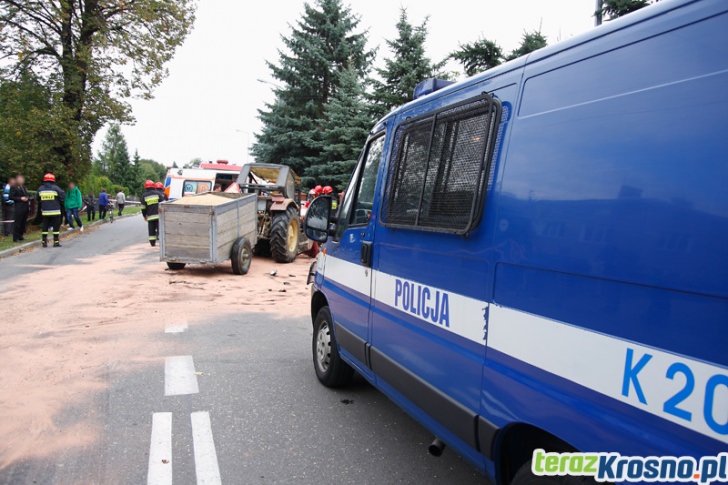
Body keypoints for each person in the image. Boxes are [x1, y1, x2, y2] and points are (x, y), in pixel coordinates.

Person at [37, 173, 65, 248]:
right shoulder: (56, 188)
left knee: (45, 227)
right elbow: (62, 197)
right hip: (55, 212)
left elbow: (37, 199)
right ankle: (56, 242)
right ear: (53, 180)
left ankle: (44, 242)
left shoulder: (40, 189)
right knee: (56, 228)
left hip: (45, 212)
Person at [9, 175, 30, 243]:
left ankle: (20, 235)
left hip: (25, 207)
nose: (21, 181)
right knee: (17, 222)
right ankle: (16, 237)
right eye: (20, 179)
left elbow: (26, 195)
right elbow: (11, 197)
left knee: (23, 222)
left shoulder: (23, 187)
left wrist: (27, 198)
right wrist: (20, 198)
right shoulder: (14, 187)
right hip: (19, 207)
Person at [141, 180, 162, 247]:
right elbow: (164, 203)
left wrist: (144, 216)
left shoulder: (144, 195)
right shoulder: (158, 194)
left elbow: (143, 208)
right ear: (153, 186)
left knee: (151, 230)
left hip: (150, 217)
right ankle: (161, 243)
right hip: (159, 216)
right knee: (160, 229)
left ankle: (152, 243)